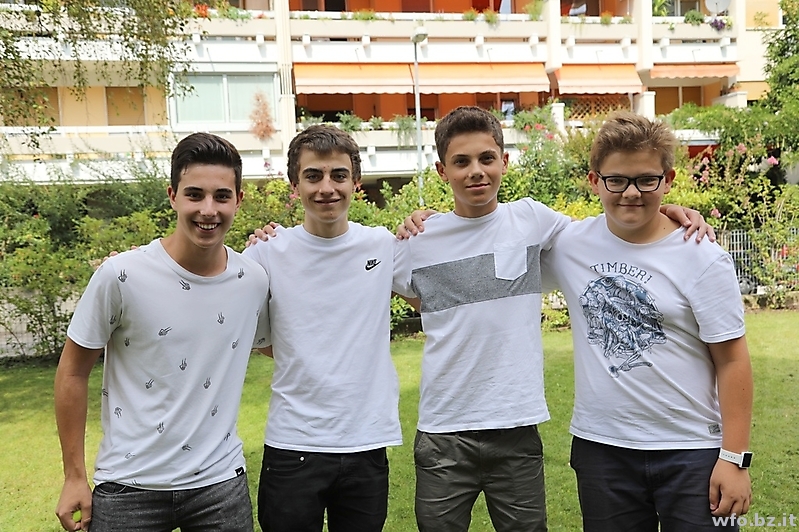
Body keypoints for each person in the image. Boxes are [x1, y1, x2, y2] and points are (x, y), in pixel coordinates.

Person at [392, 106, 711, 532]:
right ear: (441, 170)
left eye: (487, 158)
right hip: (443, 430)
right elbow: (400, 288)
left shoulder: (531, 219)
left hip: (516, 427)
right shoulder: (418, 241)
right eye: (461, 161)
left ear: (505, 161)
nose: (476, 171)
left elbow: (608, 230)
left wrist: (668, 210)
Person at [541, 111, 753, 531]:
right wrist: (427, 225)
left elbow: (732, 360)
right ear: (594, 181)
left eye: (646, 180)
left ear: (668, 180)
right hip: (603, 449)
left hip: (692, 451)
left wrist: (734, 459)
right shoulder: (567, 245)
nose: (631, 193)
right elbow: (492, 239)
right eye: (617, 180)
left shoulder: (702, 256)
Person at [54, 132, 270, 532]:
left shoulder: (253, 280)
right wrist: (74, 476)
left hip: (219, 486)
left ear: (239, 200)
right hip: (128, 487)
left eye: (222, 196)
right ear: (172, 196)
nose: (208, 209)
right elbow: (72, 371)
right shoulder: (121, 275)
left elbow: (277, 346)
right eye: (194, 195)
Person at [242, 125, 411, 532]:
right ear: (294, 185)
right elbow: (262, 341)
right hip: (293, 442)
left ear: (356, 182)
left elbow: (439, 297)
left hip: (366, 441)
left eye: (338, 175)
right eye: (313, 176)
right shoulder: (265, 253)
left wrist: (428, 221)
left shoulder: (383, 246)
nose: (327, 188)